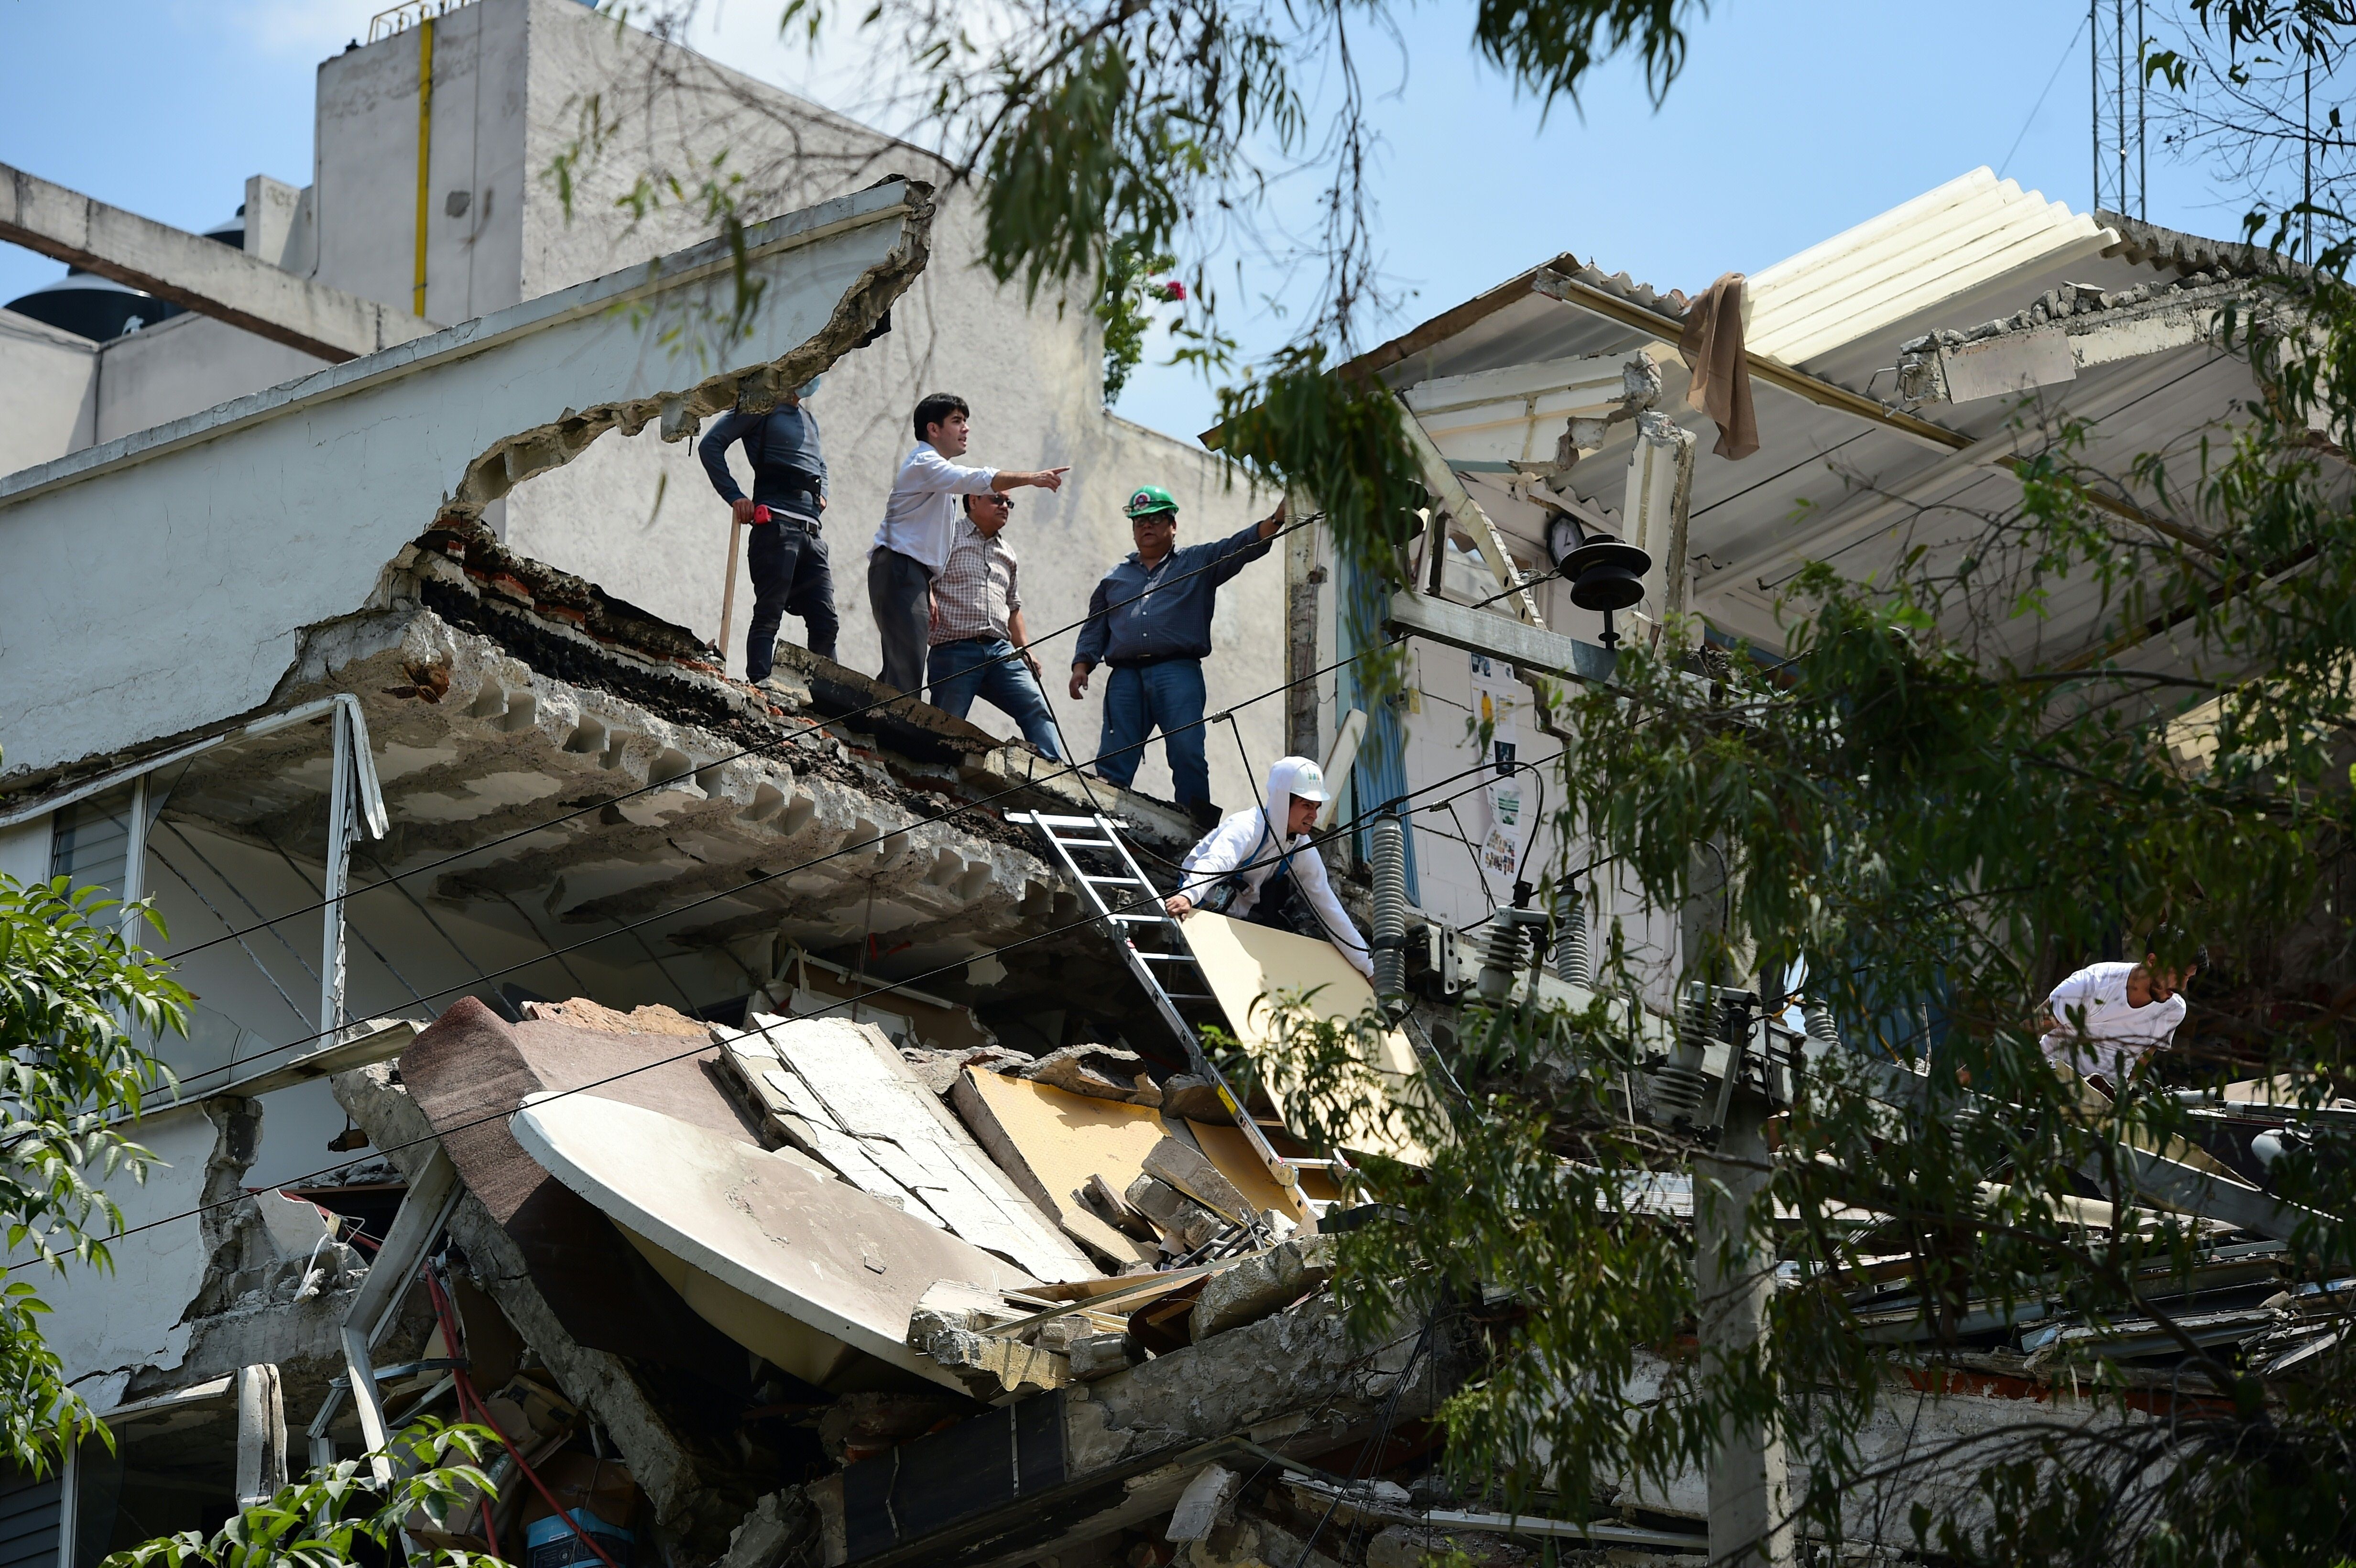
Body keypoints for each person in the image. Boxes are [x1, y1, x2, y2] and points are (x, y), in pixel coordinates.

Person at [1070, 487, 1287, 827]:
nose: (1147, 527)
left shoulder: (1196, 562)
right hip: (1125, 675)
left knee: (1187, 750)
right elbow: (1096, 627)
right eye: (1139, 521)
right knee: (1115, 754)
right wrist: (1082, 666)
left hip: (1177, 671)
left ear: (1173, 525)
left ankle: (1196, 821)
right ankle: (1105, 813)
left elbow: (1239, 548)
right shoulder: (1115, 578)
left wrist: (1276, 520)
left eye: (1156, 520)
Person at [872, 393, 1068, 695]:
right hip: (900, 567)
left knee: (903, 664)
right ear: (933, 429)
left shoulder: (936, 474)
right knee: (906, 668)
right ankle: (885, 734)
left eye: (966, 422)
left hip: (910, 572)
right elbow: (977, 479)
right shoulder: (925, 462)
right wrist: (1032, 478)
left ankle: (874, 727)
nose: (966, 429)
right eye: (957, 421)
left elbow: (926, 541)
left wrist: (929, 585)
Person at [1165, 756, 1371, 978]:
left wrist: (1368, 968)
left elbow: (1329, 908)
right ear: (1284, 801)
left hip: (1232, 922)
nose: (1314, 815)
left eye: (1317, 807)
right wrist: (1188, 896)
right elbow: (1216, 862)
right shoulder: (1247, 827)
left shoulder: (1300, 849)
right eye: (1306, 805)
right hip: (1196, 908)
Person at [696, 379, 834, 683]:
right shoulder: (761, 408)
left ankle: (825, 696)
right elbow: (711, 445)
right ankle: (760, 684)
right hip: (777, 527)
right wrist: (735, 496)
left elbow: (821, 465)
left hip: (812, 533)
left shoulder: (809, 420)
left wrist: (823, 492)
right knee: (769, 615)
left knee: (826, 623)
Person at [926, 491, 1062, 758]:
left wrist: (1027, 650)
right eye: (997, 499)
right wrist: (926, 590)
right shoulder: (946, 537)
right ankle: (934, 777)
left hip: (1001, 652)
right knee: (947, 724)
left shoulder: (1007, 553)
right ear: (973, 500)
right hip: (955, 650)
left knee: (1036, 705)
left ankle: (1054, 769)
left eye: (1009, 502)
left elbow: (1014, 609)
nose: (1005, 506)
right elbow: (921, 576)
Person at [2038, 946, 2204, 1090]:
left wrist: (2125, 1091)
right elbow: (2029, 1030)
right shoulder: (2093, 983)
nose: (2183, 986)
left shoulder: (2173, 1010)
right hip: (2054, 1079)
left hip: (2106, 1098)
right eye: (2179, 975)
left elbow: (2146, 1055)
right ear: (2152, 961)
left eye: (2189, 978)